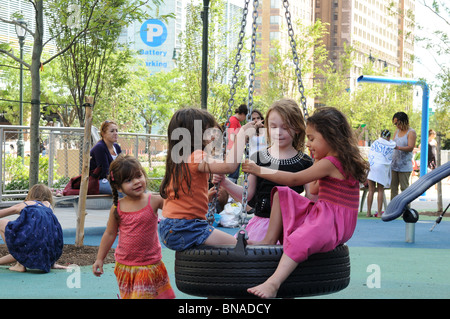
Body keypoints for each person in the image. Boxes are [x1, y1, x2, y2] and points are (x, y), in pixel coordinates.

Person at [242, 107, 369, 298]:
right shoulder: (331, 161)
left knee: (299, 239)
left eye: (312, 139)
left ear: (330, 136)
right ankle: (268, 239)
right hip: (327, 215)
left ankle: (273, 284)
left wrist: (259, 170)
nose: (308, 144)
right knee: (281, 194)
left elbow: (295, 180)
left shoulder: (332, 162)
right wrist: (317, 160)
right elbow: (316, 189)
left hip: (331, 220)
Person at [213, 99, 313, 241]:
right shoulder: (258, 158)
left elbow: (311, 198)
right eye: (273, 127)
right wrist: (224, 182)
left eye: (285, 128)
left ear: (296, 128)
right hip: (263, 224)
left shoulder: (305, 162)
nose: (278, 132)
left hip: (292, 226)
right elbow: (247, 195)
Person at [158, 108, 257, 251]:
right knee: (242, 245)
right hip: (185, 227)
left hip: (171, 226)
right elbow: (229, 166)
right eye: (208, 130)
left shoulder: (180, 158)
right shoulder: (195, 156)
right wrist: (241, 135)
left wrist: (205, 198)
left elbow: (184, 196)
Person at [92, 154, 175, 299]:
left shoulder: (154, 201)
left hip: (150, 265)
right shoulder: (118, 207)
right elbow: (110, 234)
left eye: (138, 176)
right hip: (125, 266)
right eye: (129, 180)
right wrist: (100, 258)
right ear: (118, 186)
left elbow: (176, 206)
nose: (136, 182)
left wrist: (205, 196)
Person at [0, 184, 65, 273]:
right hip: (51, 252)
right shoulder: (48, 206)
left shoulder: (28, 203)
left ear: (30, 195)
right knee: (43, 231)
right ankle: (52, 263)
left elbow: (3, 212)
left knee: (1, 223)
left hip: (31, 245)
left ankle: (20, 264)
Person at [366, 129, 396, 217]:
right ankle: (379, 213)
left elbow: (371, 153)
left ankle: (368, 212)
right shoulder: (391, 144)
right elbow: (395, 148)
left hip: (372, 165)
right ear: (389, 136)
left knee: (371, 190)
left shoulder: (375, 142)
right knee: (380, 190)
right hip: (382, 167)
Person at [90, 120, 122, 194]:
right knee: (122, 191)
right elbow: (105, 172)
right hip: (98, 181)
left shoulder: (116, 147)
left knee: (132, 189)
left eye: (116, 131)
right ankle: (119, 206)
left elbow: (123, 165)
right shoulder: (100, 147)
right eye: (112, 131)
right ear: (103, 134)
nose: (115, 133)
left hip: (113, 179)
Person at [390, 112, 417, 200]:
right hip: (394, 165)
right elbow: (393, 143)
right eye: (395, 124)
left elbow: (410, 147)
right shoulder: (397, 131)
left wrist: (398, 147)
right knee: (393, 188)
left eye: (398, 123)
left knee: (404, 189)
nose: (397, 125)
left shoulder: (411, 132)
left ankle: (406, 210)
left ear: (404, 121)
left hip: (404, 166)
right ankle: (393, 210)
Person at [227, 104, 248, 183]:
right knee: (233, 173)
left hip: (236, 148)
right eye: (245, 116)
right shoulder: (233, 121)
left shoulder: (236, 121)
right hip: (233, 148)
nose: (245, 119)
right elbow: (232, 136)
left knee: (235, 173)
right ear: (242, 114)